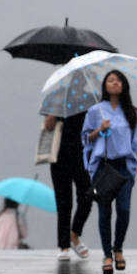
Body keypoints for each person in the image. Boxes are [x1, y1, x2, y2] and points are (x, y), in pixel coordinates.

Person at [82, 70, 137, 274]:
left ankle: (118, 247)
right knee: (104, 211)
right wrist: (100, 129)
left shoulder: (133, 113)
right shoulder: (95, 111)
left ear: (124, 85)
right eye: (110, 80)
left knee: (124, 209)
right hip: (104, 166)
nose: (115, 83)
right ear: (105, 86)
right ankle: (106, 254)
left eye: (118, 80)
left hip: (125, 166)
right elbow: (86, 139)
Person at [44, 112, 92, 261]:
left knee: (87, 198)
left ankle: (74, 234)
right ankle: (64, 246)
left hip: (83, 157)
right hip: (60, 157)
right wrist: (53, 114)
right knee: (64, 202)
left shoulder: (88, 101)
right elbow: (48, 126)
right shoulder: (56, 99)